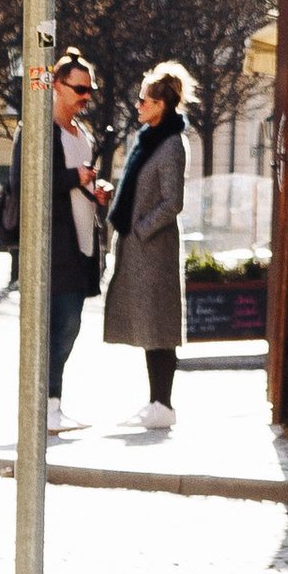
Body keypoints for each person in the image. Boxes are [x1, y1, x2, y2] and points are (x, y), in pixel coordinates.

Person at [103, 62, 194, 428]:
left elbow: (173, 201)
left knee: (158, 328)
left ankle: (163, 404)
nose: (138, 105)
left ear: (161, 104)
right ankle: (156, 403)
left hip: (154, 251)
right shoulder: (148, 141)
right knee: (148, 327)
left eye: (144, 99)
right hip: (141, 249)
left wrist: (140, 229)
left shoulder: (171, 144)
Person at [44, 52, 111, 433]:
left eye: (90, 89)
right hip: (56, 250)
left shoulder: (81, 135)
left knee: (69, 328)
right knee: (59, 328)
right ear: (57, 85)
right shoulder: (39, 132)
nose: (87, 96)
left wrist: (95, 188)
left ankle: (53, 405)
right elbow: (27, 184)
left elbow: (77, 184)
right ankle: (48, 407)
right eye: (80, 89)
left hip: (83, 248)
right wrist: (75, 176)